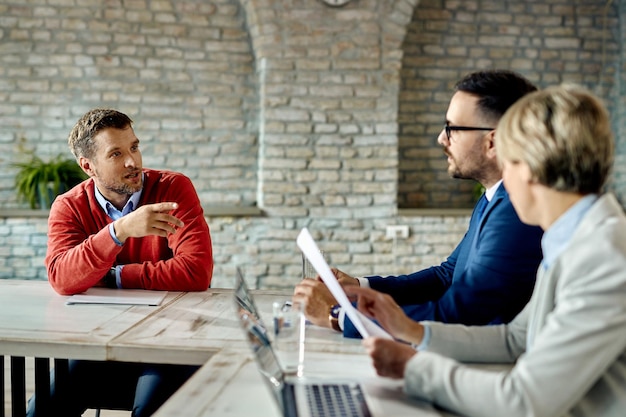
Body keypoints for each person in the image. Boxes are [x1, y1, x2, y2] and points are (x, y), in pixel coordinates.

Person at [346, 85, 626, 417]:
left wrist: (412, 368)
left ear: (530, 169)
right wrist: (411, 331)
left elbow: (523, 400)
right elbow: (515, 339)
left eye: (507, 166)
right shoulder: (571, 237)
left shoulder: (605, 258)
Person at [294, 70, 544, 337]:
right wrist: (359, 286)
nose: (442, 138)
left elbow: (458, 313)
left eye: (452, 128)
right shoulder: (494, 196)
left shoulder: (515, 210)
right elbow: (446, 277)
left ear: (491, 141)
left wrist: (339, 317)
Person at [28, 108, 214, 417]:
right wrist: (119, 231)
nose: (132, 161)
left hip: (167, 343)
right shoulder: (69, 206)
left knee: (150, 411)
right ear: (88, 166)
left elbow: (195, 272)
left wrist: (113, 275)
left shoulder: (173, 188)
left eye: (134, 147)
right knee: (42, 410)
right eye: (115, 154)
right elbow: (62, 277)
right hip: (99, 344)